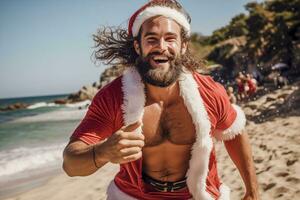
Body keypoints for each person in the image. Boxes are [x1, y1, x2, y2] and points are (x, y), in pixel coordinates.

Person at [62, 1, 259, 199]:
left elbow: (234, 132)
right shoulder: (113, 98)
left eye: (170, 38)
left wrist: (252, 191)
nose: (161, 47)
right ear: (138, 46)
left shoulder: (209, 92)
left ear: (183, 46)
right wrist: (103, 151)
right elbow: (70, 164)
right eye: (152, 39)